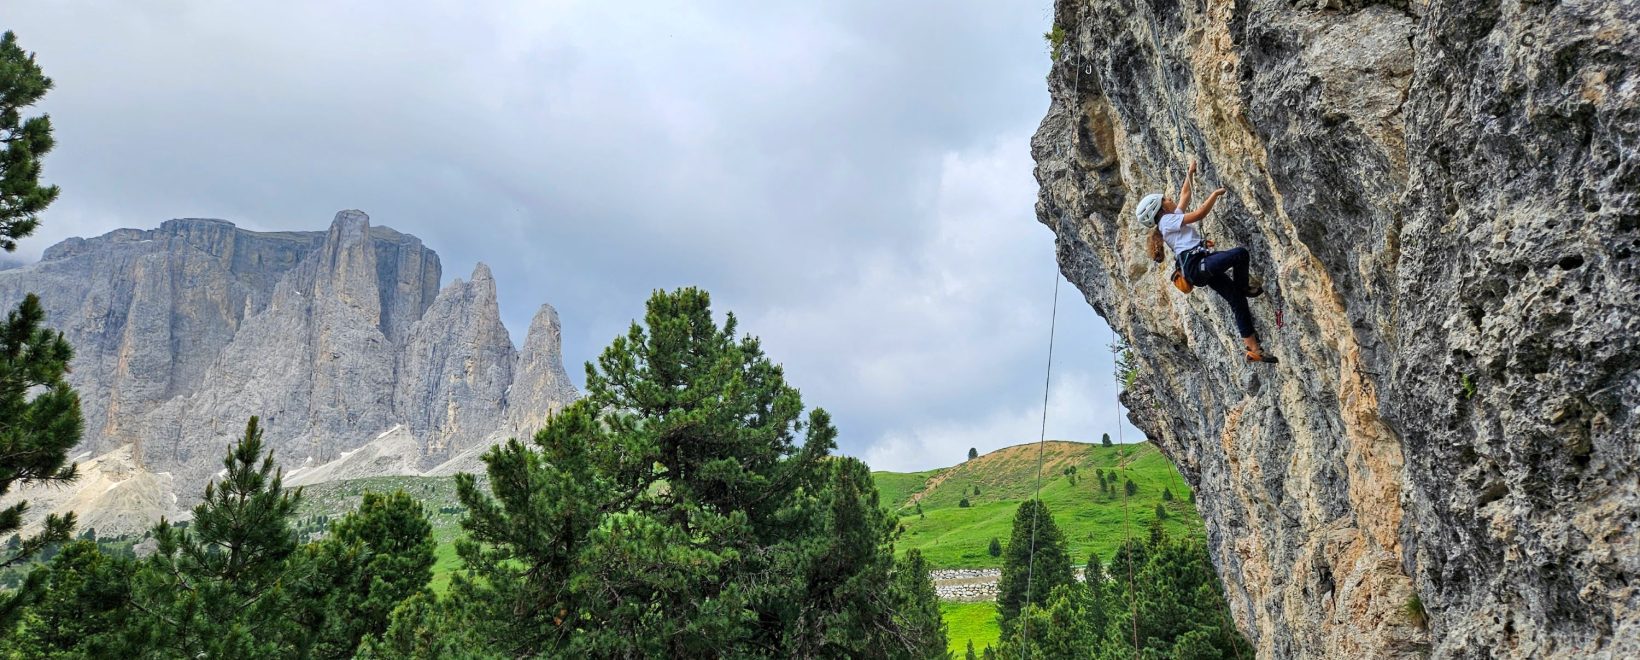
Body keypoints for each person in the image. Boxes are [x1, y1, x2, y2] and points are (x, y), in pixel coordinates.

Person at [1139, 160, 1278, 364]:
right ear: (1159, 210)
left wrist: (1190, 173)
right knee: (1240, 254)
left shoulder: (1170, 218)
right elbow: (1199, 214)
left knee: (1237, 300)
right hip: (1197, 267)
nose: (1170, 199)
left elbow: (1185, 196)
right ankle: (1244, 287)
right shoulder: (1166, 222)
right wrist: (1214, 195)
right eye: (1165, 199)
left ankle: (1254, 349)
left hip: (1202, 264)